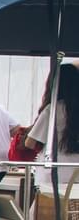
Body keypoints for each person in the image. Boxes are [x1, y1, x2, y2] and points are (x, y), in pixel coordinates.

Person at [24, 63, 79, 192]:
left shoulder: (53, 109)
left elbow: (30, 143)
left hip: (53, 173)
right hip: (76, 172)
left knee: (44, 211)